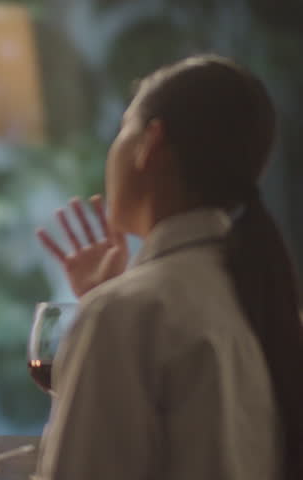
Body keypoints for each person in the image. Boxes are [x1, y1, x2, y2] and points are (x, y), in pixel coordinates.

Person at [34, 54, 302, 480]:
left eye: (123, 128)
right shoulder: (266, 297)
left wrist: (104, 311)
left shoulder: (127, 313)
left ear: (151, 144)